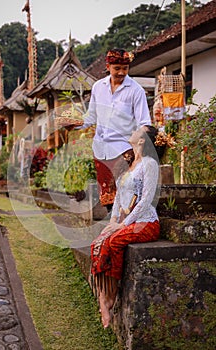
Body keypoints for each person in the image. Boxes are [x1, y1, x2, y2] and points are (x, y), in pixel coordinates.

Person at [90, 125, 165, 329]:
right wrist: (112, 222)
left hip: (146, 223)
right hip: (127, 220)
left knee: (113, 241)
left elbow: (146, 200)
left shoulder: (149, 164)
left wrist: (122, 225)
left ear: (142, 140)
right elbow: (118, 198)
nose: (133, 131)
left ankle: (109, 299)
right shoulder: (132, 162)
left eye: (137, 130)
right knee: (98, 243)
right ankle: (103, 298)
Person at [78, 48, 152, 211]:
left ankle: (124, 231)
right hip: (100, 149)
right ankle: (113, 230)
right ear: (108, 66)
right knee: (108, 199)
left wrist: (140, 151)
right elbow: (91, 116)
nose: (121, 72)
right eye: (116, 68)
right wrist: (75, 124)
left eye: (124, 69)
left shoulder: (136, 90)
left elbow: (144, 123)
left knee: (127, 196)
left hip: (123, 149)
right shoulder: (98, 87)